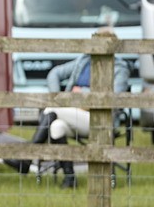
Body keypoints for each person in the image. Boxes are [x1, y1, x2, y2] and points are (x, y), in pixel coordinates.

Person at [7, 29, 132, 188]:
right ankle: (70, 178)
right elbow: (54, 74)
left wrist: (82, 94)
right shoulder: (84, 60)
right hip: (72, 114)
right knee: (56, 126)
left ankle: (26, 159)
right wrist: (59, 97)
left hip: (99, 120)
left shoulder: (120, 68)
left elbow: (114, 99)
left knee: (52, 110)